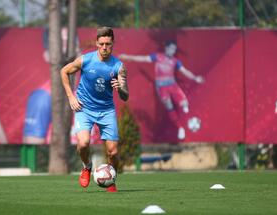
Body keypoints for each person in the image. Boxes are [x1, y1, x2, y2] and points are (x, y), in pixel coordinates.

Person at [61, 27, 129, 192]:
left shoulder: (119, 67)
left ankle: (111, 181)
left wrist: (119, 88)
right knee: (83, 144)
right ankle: (87, 166)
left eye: (108, 44)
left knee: (113, 152)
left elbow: (125, 96)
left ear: (113, 44)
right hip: (84, 108)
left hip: (106, 111)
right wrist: (71, 96)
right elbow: (64, 71)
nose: (105, 47)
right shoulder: (85, 60)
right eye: (101, 44)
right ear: (97, 44)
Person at [119, 40, 204, 140]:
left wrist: (195, 78)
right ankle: (180, 128)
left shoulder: (175, 61)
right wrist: (128, 57)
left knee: (184, 104)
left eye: (174, 50)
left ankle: (188, 117)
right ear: (166, 48)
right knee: (169, 107)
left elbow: (185, 71)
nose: (173, 51)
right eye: (172, 49)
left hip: (173, 85)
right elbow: (143, 58)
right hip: (162, 88)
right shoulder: (158, 57)